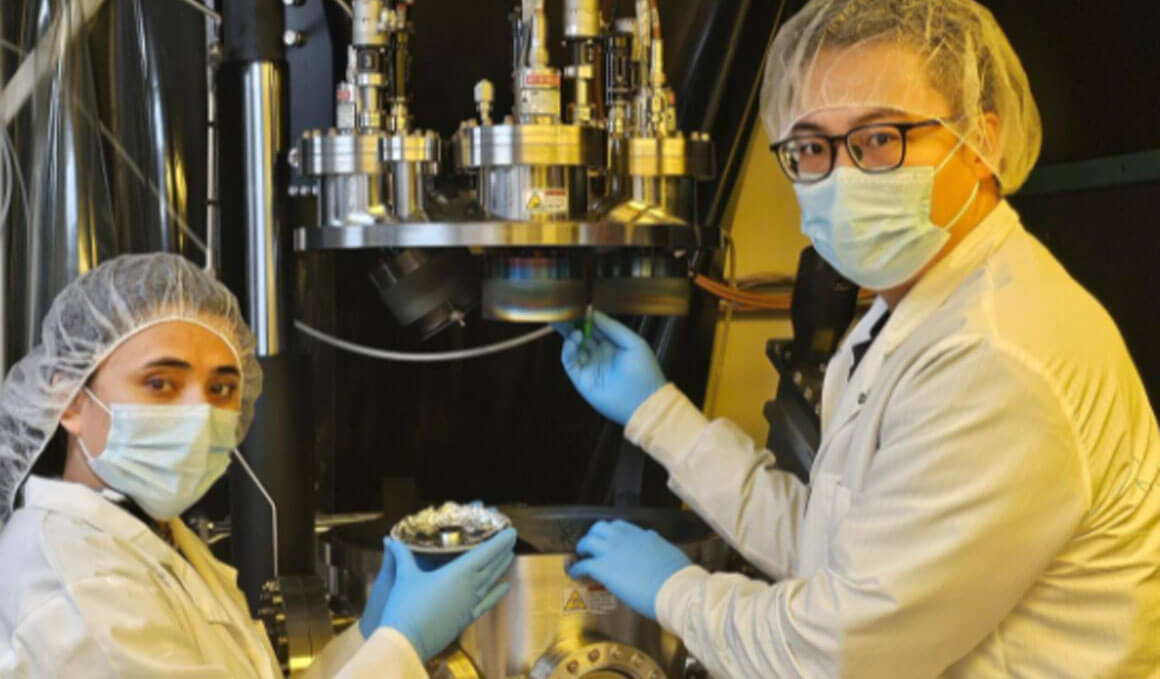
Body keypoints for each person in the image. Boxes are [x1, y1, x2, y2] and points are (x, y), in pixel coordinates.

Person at [557, 0, 1160, 676]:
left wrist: (678, 591)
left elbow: (839, 649)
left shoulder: (996, 354)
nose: (843, 176)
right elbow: (840, 549)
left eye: (880, 138)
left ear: (983, 140)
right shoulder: (915, 308)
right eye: (813, 146)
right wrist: (657, 412)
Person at [0, 253, 516, 678]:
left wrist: (369, 633)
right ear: (68, 399)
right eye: (160, 383)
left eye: (222, 388)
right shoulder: (69, 583)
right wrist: (404, 638)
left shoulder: (151, 537)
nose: (199, 413)